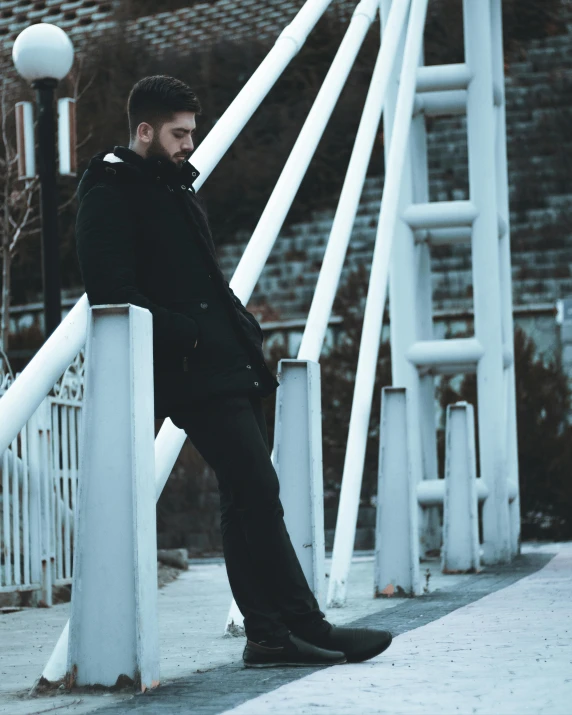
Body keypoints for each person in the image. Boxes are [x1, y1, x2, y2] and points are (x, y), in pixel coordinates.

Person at [75, 75, 392, 668]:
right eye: (178, 133)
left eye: (192, 132)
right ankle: (306, 625)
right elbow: (110, 293)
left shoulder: (171, 184)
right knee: (257, 490)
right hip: (190, 368)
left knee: (245, 497)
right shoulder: (111, 189)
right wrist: (189, 332)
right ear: (144, 130)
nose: (189, 143)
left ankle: (270, 636)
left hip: (225, 361)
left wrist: (236, 329)